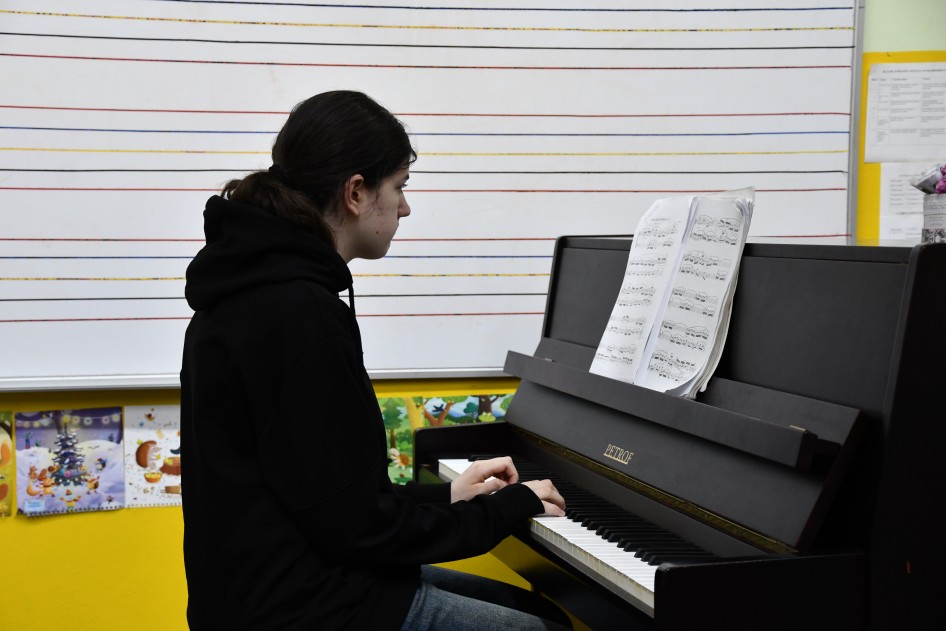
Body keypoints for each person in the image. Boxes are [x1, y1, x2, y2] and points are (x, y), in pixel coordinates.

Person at [180, 90, 571, 631]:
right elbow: (359, 528)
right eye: (399, 187)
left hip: (261, 593)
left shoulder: (247, 291)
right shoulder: (301, 315)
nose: (405, 207)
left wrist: (449, 497)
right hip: (306, 609)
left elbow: (329, 494)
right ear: (356, 192)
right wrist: (505, 507)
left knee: (537, 611)